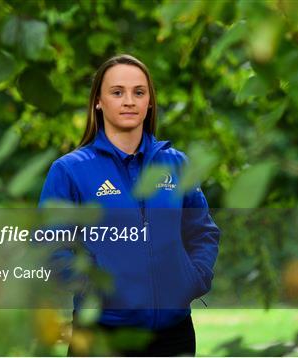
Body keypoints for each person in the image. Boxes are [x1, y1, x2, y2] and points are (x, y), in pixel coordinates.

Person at [39, 54, 220, 356]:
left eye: (139, 92)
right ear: (99, 101)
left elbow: (202, 232)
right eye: (117, 92)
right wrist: (95, 289)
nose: (129, 101)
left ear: (150, 102)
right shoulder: (69, 170)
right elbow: (47, 245)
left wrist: (194, 277)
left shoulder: (176, 165)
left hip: (174, 335)